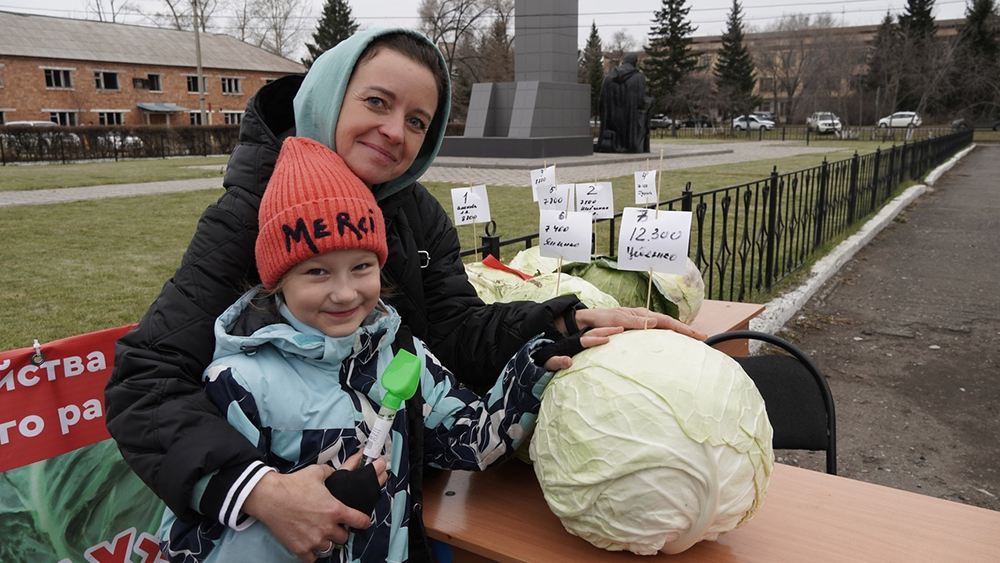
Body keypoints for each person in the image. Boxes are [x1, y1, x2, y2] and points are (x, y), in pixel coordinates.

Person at [106, 27, 704, 563]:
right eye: (377, 102)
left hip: (395, 514)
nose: (395, 132)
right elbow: (145, 380)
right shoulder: (247, 217)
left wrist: (560, 321)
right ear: (328, 96)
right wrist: (262, 492)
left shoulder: (417, 215)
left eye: (418, 120)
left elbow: (454, 330)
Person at [158, 136, 615, 562]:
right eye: (317, 272)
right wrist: (321, 510)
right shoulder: (238, 383)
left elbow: (474, 441)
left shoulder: (401, 354)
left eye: (361, 266)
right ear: (278, 281)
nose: (345, 293)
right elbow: (190, 542)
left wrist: (532, 367)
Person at [596, 53, 652, 153]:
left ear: (623, 62)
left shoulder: (608, 77)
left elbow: (601, 101)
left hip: (610, 121)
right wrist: (650, 101)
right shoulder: (638, 78)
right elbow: (641, 102)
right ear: (635, 63)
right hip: (630, 122)